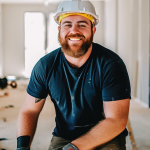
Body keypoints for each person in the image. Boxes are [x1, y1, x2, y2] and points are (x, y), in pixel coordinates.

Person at [16, 0, 131, 150]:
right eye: (68, 24)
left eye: (82, 24)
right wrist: (22, 147)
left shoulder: (111, 64)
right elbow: (29, 110)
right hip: (64, 136)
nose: (74, 31)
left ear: (93, 30)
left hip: (105, 135)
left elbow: (116, 120)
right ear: (59, 30)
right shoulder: (45, 66)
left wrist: (73, 148)